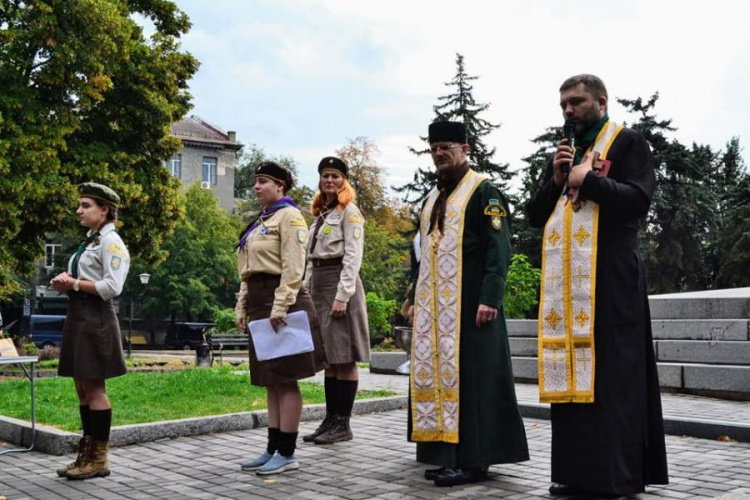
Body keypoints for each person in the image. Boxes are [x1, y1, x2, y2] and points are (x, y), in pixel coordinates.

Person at [527, 74, 669, 498]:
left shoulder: (629, 143)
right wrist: (556, 179)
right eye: (564, 105)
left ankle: (617, 477)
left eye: (576, 102)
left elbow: (639, 200)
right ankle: (576, 474)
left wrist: (587, 181)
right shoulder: (568, 154)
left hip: (612, 277)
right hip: (569, 286)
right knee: (573, 379)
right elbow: (535, 216)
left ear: (601, 101)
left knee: (613, 377)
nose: (569, 111)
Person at [407, 120, 529, 487]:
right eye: (434, 147)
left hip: (471, 303)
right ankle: (446, 454)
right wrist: (414, 298)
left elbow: (499, 248)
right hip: (435, 309)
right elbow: (422, 254)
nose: (440, 152)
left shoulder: (484, 191)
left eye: (447, 146)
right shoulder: (432, 198)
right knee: (446, 382)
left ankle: (476, 461)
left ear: (465, 149)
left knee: (475, 382)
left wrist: (490, 297)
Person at [235, 161, 327, 475]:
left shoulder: (290, 217)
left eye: (263, 181)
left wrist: (280, 306)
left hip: (282, 303)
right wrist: (242, 305)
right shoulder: (260, 221)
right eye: (256, 182)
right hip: (261, 302)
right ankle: (272, 448)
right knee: (271, 382)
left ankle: (287, 452)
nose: (257, 187)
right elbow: (248, 271)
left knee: (286, 381)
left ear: (280, 186)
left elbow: (293, 268)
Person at [51, 182, 130, 480]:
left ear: (104, 210)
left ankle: (98, 458)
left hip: (96, 318)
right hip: (79, 315)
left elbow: (113, 287)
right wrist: (66, 281)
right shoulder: (91, 241)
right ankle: (86, 452)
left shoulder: (111, 243)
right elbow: (85, 277)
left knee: (94, 388)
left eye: (86, 205)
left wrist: (72, 284)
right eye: (79, 205)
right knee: (81, 387)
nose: (79, 211)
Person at [302, 157, 370, 445]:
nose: (329, 180)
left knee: (344, 357)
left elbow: (353, 257)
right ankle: (330, 420)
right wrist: (304, 290)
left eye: (335, 176)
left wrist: (343, 296)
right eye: (325, 176)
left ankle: (344, 423)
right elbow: (309, 259)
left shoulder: (349, 212)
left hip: (339, 286)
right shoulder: (321, 214)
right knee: (330, 358)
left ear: (344, 181)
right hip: (319, 286)